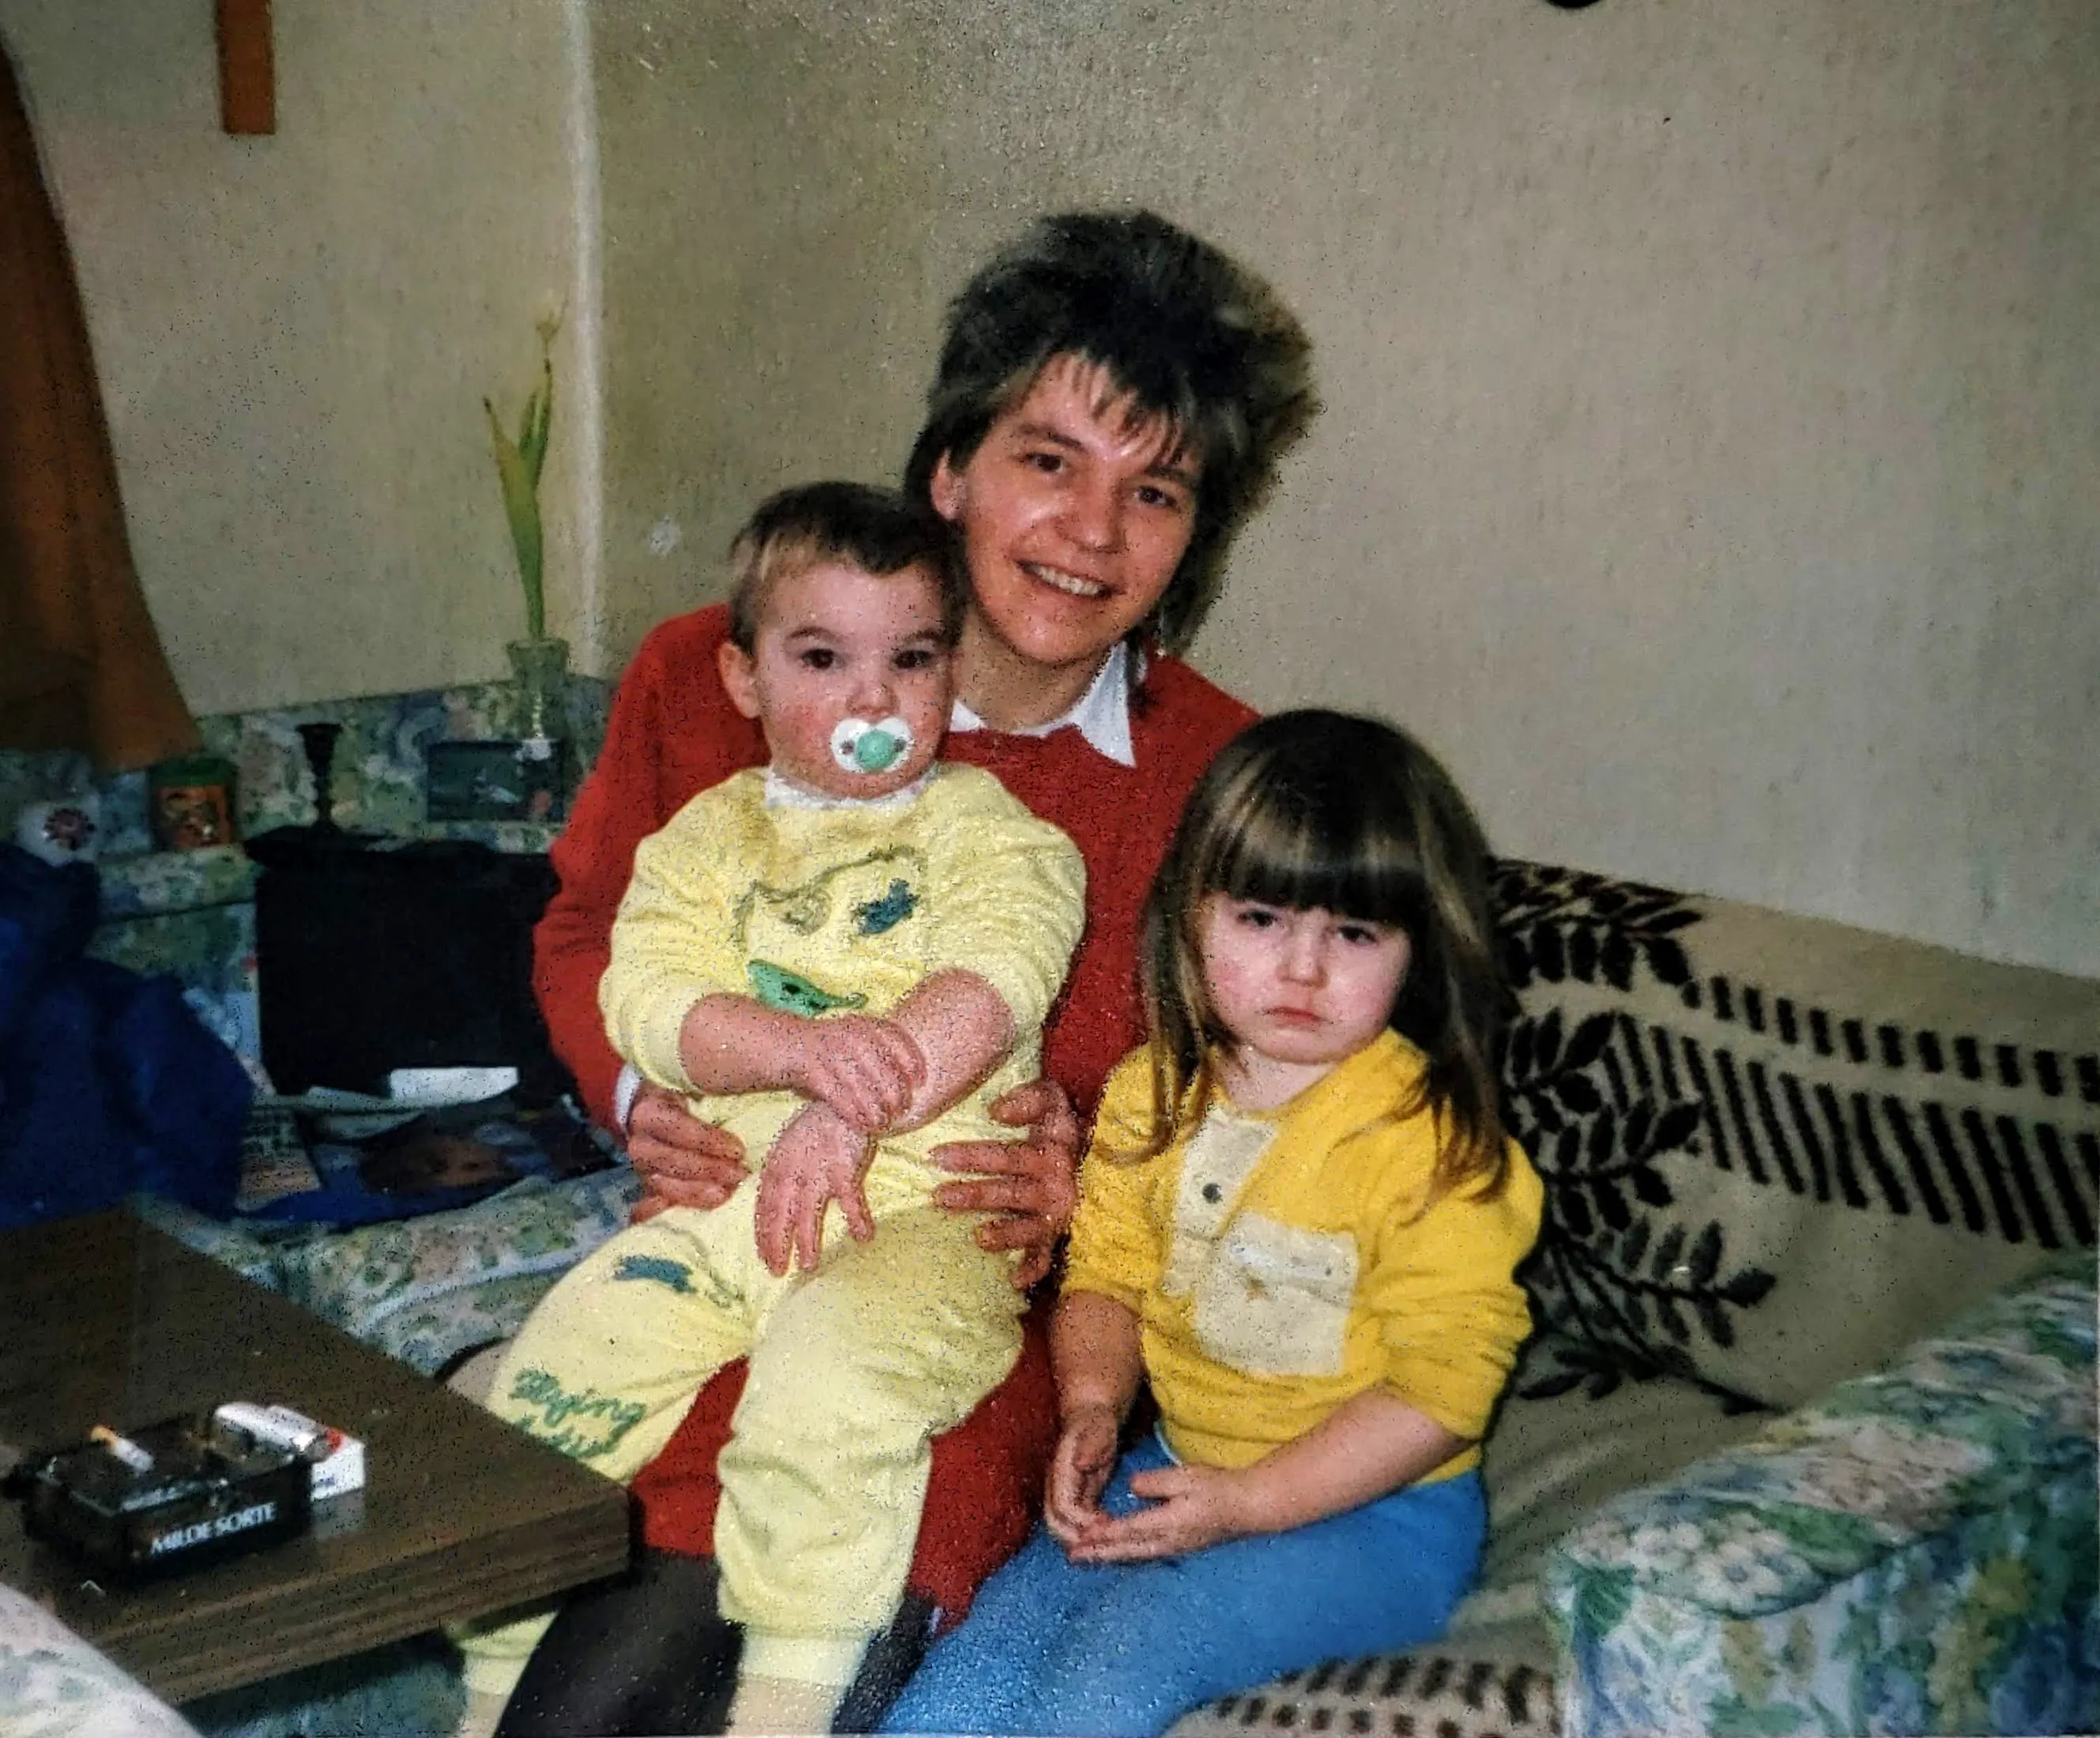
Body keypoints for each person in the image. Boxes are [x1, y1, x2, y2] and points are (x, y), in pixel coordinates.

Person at [502, 209, 1316, 1736]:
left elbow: (1265, 1093)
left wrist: (1112, 1182)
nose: (1090, 531)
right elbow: (586, 929)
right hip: (717, 1227)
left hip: (966, 1303)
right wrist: (637, 1092)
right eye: (1047, 459)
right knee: (558, 1622)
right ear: (949, 469)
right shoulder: (722, 665)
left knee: (762, 1617)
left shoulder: (1220, 780)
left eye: (1154, 492)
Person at [457, 482, 1086, 1737]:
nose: (871, 700)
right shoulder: (706, 840)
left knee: (825, 1387)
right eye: (822, 658)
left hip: (924, 1219)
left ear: (949, 674)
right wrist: (796, 1052)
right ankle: (487, 1688)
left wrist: (852, 1103)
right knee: (556, 1371)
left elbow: (994, 977)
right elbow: (647, 996)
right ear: (742, 679)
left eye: (910, 660)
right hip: (730, 1211)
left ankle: (786, 1706)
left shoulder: (993, 833)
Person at [882, 710, 1546, 1738]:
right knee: (973, 1667)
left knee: (1110, 1674)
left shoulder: (1438, 1149)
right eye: (1260, 920)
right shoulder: (1151, 1094)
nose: (1302, 969)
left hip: (1377, 1521)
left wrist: (1250, 1505)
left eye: (1354, 933)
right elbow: (1104, 1275)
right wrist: (1095, 1407)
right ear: (1192, 914)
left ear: (1417, 952)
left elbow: (1442, 1396)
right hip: (1179, 1465)